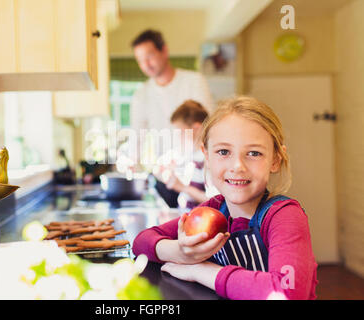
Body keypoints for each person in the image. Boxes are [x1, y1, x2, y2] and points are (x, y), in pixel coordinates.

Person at [132, 96, 318, 300]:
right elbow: (141, 242)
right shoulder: (212, 210)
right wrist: (182, 252)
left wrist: (200, 270)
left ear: (275, 159)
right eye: (223, 151)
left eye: (254, 153)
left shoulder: (284, 216)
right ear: (207, 156)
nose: (237, 166)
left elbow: (287, 291)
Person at [129, 29, 215, 207]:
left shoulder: (194, 81)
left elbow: (210, 126)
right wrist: (131, 168)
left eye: (149, 56)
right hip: (167, 176)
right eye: (140, 60)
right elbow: (137, 137)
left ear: (164, 51)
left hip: (198, 174)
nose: (146, 64)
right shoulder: (141, 95)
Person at [159, 100, 211, 211]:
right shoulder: (192, 154)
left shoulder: (209, 158)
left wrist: (182, 187)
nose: (178, 137)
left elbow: (215, 200)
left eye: (181, 132)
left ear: (196, 128)